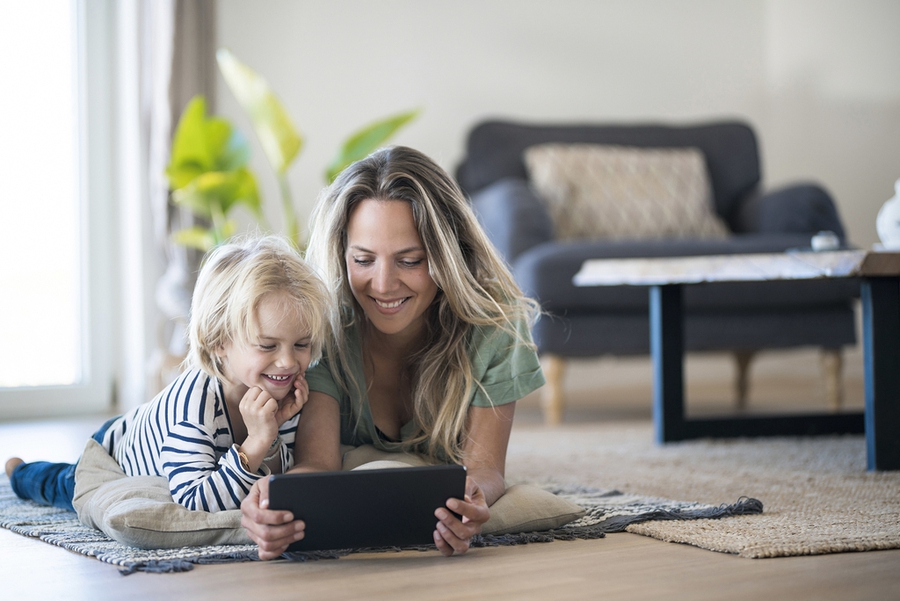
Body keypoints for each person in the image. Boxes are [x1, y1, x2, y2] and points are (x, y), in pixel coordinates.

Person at [240, 146, 546, 558]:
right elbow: (318, 463)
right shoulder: (322, 328)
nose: (383, 284)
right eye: (363, 259)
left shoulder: (493, 328)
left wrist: (472, 498)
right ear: (342, 252)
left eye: (410, 260)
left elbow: (486, 469)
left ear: (446, 255)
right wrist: (277, 502)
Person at [5, 235, 329, 513]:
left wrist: (270, 437)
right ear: (219, 341)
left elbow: (276, 478)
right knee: (64, 486)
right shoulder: (193, 409)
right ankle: (21, 475)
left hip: (189, 462)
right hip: (114, 455)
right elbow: (195, 503)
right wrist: (257, 440)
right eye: (268, 345)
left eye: (301, 344)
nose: (288, 362)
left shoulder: (282, 392)